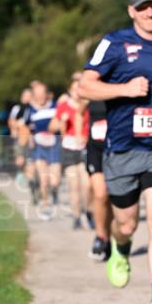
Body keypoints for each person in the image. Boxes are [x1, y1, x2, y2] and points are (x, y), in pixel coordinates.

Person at [79, 0, 152, 304]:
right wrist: (124, 89)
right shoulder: (115, 43)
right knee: (127, 224)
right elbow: (85, 86)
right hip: (122, 149)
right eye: (143, 8)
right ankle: (119, 248)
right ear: (131, 11)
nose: (149, 13)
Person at [50, 74, 91, 229]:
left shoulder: (88, 105)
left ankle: (86, 211)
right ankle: (76, 216)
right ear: (69, 91)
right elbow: (51, 128)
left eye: (79, 88)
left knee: (87, 185)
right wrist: (61, 121)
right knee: (73, 185)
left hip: (85, 148)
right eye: (74, 89)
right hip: (69, 148)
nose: (77, 92)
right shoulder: (63, 107)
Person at [24, 81, 61, 220]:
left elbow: (61, 122)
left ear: (47, 94)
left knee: (55, 181)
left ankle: (54, 191)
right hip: (39, 147)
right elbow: (26, 127)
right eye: (37, 94)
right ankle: (45, 205)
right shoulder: (30, 109)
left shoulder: (55, 106)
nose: (40, 97)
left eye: (42, 93)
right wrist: (29, 140)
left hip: (54, 146)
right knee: (44, 179)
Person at [85, 97, 113, 261]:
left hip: (117, 146)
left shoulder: (123, 80)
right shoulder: (92, 82)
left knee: (114, 198)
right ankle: (100, 237)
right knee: (101, 194)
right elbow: (79, 111)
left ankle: (111, 238)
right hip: (96, 148)